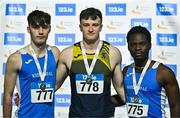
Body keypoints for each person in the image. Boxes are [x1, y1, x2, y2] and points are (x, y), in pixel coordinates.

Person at [56, 7, 125, 117]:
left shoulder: (113, 53)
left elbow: (120, 88)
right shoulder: (68, 54)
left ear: (101, 27)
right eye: (86, 25)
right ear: (80, 27)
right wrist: (25, 96)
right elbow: (53, 85)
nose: (91, 29)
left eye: (95, 25)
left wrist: (140, 102)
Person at [3, 10, 60, 117]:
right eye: (36, 27)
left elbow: (56, 83)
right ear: (29, 30)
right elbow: (7, 96)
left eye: (45, 27)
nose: (41, 32)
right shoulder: (16, 59)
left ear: (50, 29)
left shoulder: (55, 53)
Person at [121, 26, 180, 117]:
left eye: (142, 44)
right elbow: (123, 98)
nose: (138, 48)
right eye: (133, 44)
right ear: (128, 46)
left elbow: (175, 106)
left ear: (149, 45)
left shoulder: (163, 72)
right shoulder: (126, 71)